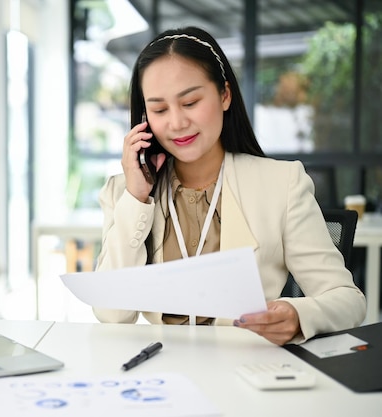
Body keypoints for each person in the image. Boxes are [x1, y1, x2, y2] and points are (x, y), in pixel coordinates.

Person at [93, 26, 366, 345]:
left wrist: (297, 315)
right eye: (159, 109)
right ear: (144, 118)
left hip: (246, 373)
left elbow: (348, 300)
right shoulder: (124, 192)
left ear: (224, 95)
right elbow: (111, 314)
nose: (177, 122)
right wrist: (137, 198)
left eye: (191, 102)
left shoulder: (281, 184)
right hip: (159, 370)